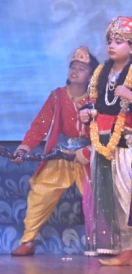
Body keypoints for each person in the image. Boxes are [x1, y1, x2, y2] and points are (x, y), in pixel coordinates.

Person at [11, 47, 97, 256]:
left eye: (81, 69)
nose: (75, 71)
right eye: (73, 67)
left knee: (99, 197)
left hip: (87, 157)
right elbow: (40, 126)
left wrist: (89, 151)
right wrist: (25, 147)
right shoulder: (57, 96)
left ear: (90, 75)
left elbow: (102, 129)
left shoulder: (96, 99)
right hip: (61, 155)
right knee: (40, 193)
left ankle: (104, 244)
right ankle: (28, 241)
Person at [81, 17, 132, 266]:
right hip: (102, 140)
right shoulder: (102, 72)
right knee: (110, 199)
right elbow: (96, 104)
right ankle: (125, 249)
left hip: (127, 142)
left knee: (127, 195)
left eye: (119, 41)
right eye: (110, 41)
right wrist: (87, 114)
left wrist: (130, 96)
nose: (111, 45)